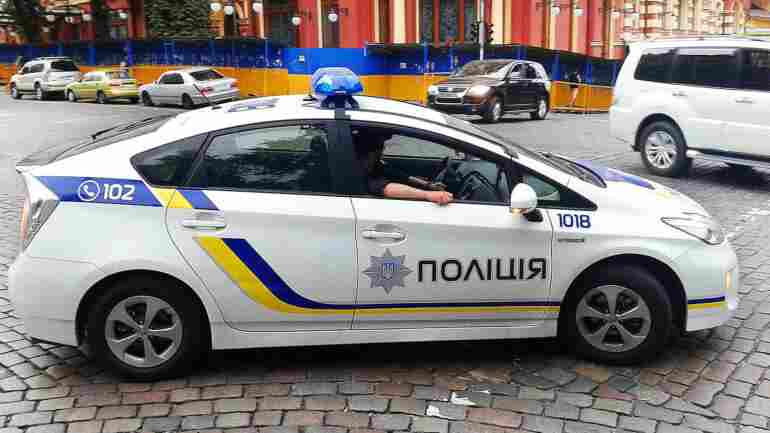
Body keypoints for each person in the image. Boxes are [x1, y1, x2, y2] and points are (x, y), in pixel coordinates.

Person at [355, 130, 453, 205]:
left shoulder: (375, 163)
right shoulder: (358, 169)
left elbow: (397, 174)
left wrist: (428, 185)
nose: (382, 151)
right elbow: (385, 188)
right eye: (380, 147)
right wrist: (428, 194)